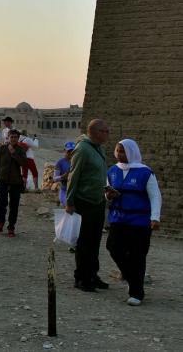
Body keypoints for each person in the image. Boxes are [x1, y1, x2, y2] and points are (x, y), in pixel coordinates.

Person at [105, 139, 162, 306]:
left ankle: (136, 292)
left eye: (122, 151)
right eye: (117, 151)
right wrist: (109, 196)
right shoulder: (113, 170)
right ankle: (132, 278)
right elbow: (106, 192)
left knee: (138, 255)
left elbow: (155, 196)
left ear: (131, 152)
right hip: (118, 218)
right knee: (114, 248)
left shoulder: (145, 172)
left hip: (139, 221)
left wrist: (155, 217)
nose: (118, 154)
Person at [66, 119, 110, 292]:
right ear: (96, 132)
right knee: (84, 242)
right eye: (105, 131)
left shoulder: (99, 148)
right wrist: (69, 202)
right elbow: (73, 176)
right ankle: (81, 278)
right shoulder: (82, 149)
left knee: (95, 241)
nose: (108, 134)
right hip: (84, 202)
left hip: (98, 201)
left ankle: (92, 274)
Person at [0, 129, 27, 237]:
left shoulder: (20, 150)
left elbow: (23, 163)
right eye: (12, 137)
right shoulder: (2, 149)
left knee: (14, 205)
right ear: (8, 138)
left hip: (16, 182)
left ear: (18, 138)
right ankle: (1, 221)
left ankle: (11, 227)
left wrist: (14, 153)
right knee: (2, 203)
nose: (13, 139)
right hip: (2, 180)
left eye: (15, 137)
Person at [53, 142, 76, 207]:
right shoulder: (60, 163)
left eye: (73, 151)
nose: (71, 153)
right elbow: (54, 179)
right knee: (67, 207)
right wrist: (63, 176)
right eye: (69, 151)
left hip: (75, 192)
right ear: (65, 151)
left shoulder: (77, 162)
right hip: (64, 191)